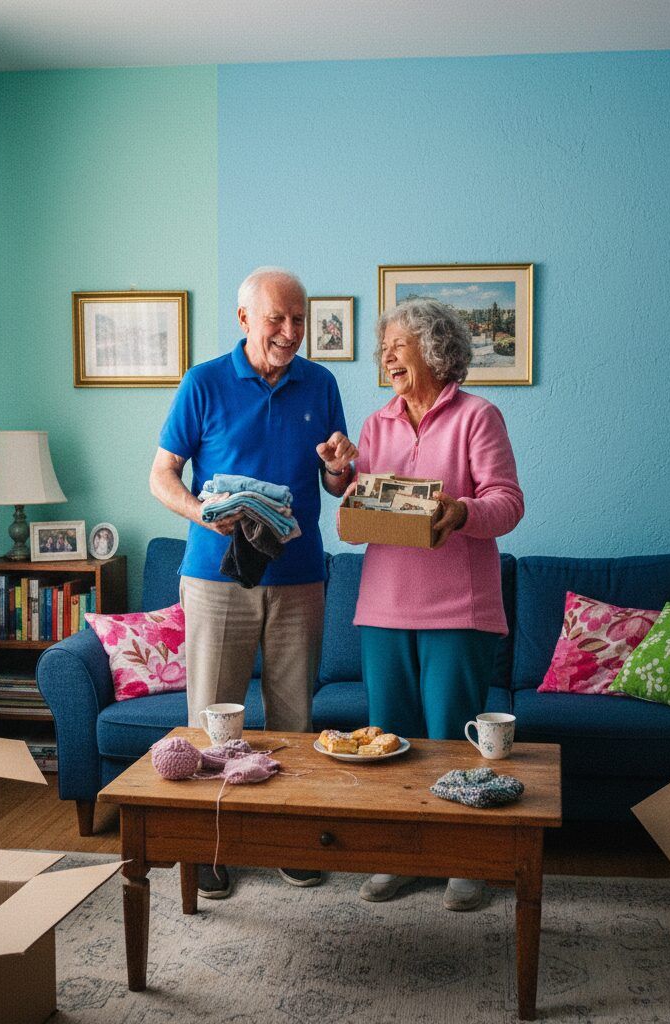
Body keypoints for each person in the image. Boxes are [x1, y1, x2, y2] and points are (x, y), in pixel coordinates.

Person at [150, 267, 356, 900]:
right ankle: (210, 851)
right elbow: (162, 476)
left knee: (294, 719)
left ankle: (290, 844)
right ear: (244, 320)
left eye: (299, 320)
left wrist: (341, 470)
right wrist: (201, 514)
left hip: (299, 577)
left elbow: (335, 484)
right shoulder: (203, 382)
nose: (291, 332)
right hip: (216, 578)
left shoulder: (321, 384)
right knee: (216, 721)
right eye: (277, 319)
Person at [348, 298, 524, 912]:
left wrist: (463, 511)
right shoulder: (375, 424)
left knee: (453, 742)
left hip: (459, 608)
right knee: (387, 744)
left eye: (401, 342)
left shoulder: (479, 416)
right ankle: (397, 857)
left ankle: (462, 861)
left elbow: (508, 502)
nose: (388, 354)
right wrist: (338, 475)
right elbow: (360, 504)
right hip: (383, 606)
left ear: (436, 348)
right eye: (385, 345)